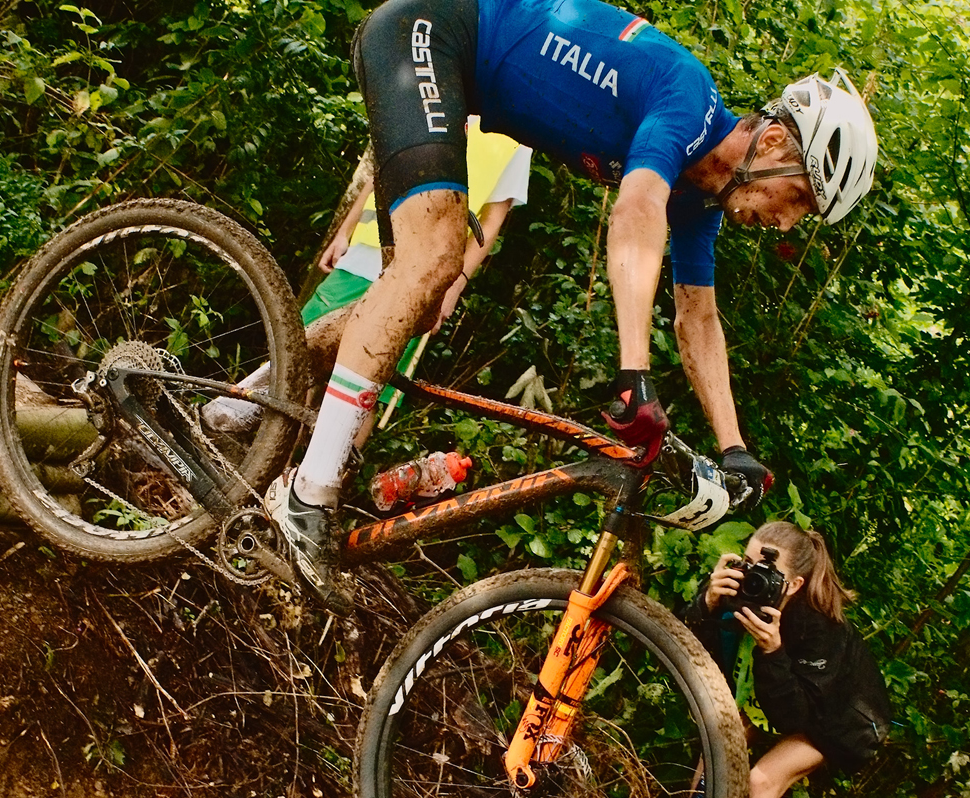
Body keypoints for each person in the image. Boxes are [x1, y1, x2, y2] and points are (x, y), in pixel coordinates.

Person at [263, 0, 879, 615]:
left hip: (457, 74)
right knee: (434, 258)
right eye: (799, 196)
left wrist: (734, 448)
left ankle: (244, 408)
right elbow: (636, 210)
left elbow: (697, 316)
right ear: (771, 141)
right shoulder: (688, 100)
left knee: (414, 302)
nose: (787, 221)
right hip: (431, 29)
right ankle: (308, 496)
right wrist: (634, 372)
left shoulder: (701, 197)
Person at [204, 117, 532, 434]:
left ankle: (315, 469)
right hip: (365, 253)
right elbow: (384, 169)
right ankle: (269, 454)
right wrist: (344, 232)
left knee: (365, 384)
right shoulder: (435, 94)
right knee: (299, 350)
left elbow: (491, 222)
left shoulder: (517, 137)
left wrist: (454, 286)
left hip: (425, 274)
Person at [681, 521, 892, 798]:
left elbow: (794, 717)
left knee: (762, 781)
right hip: (771, 697)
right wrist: (706, 603)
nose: (754, 578)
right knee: (715, 749)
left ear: (794, 584)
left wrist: (772, 651)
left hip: (840, 719)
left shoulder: (819, 625)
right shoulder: (737, 592)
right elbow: (685, 648)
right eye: (748, 564)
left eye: (767, 571)